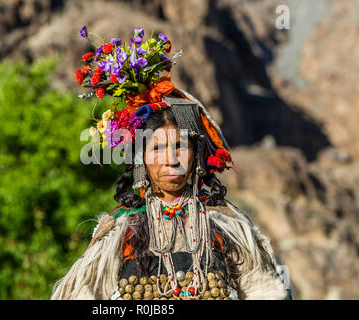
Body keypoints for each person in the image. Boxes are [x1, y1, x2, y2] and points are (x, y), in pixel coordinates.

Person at [51, 27, 292, 300]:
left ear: (197, 154)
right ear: (140, 159)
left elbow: (267, 291)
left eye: (180, 146)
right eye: (157, 148)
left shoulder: (228, 228)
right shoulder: (118, 234)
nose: (171, 158)